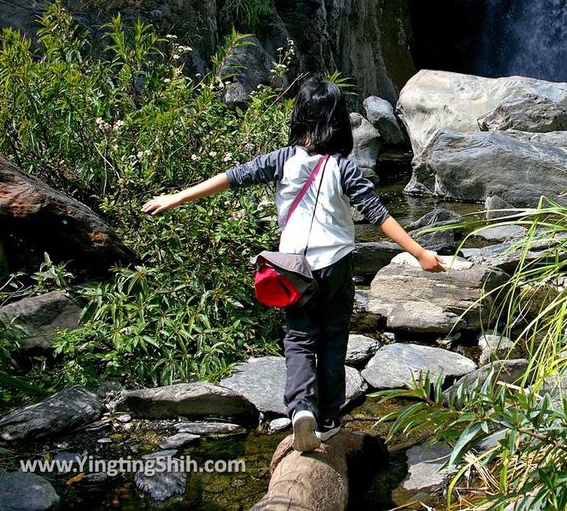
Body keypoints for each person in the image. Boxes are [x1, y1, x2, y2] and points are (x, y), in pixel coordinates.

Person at [141, 77, 445, 452]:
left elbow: (231, 178)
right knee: (333, 341)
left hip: (292, 268)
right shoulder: (343, 169)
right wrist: (419, 254)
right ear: (338, 124)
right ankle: (330, 420)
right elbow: (378, 215)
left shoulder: (282, 160)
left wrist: (176, 197)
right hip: (334, 264)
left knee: (299, 339)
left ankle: (301, 408)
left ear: (300, 118)